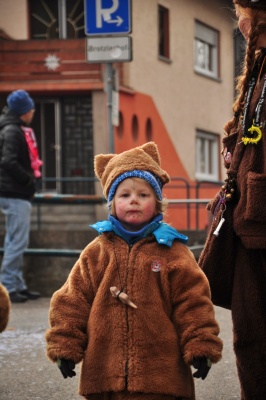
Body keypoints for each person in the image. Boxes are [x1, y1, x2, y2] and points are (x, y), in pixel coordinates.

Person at [46, 142, 223, 400]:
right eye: (125, 195)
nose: (134, 201)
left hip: (160, 377)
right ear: (112, 202)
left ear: (157, 202)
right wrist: (65, 345)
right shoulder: (97, 251)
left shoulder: (174, 252)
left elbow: (193, 301)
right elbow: (72, 300)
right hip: (105, 373)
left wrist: (201, 345)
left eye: (143, 195)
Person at [200, 1, 266, 398]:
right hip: (250, 218)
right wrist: (235, 149)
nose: (240, 23)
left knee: (256, 334)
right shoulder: (259, 66)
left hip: (259, 218)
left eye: (247, 13)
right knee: (251, 334)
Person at [0, 89, 41, 303]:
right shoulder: (13, 131)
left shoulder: (11, 128)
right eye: (30, 107)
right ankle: (8, 286)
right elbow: (8, 161)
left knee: (16, 240)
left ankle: (17, 284)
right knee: (17, 241)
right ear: (23, 111)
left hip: (13, 191)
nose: (33, 111)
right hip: (14, 192)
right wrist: (28, 179)